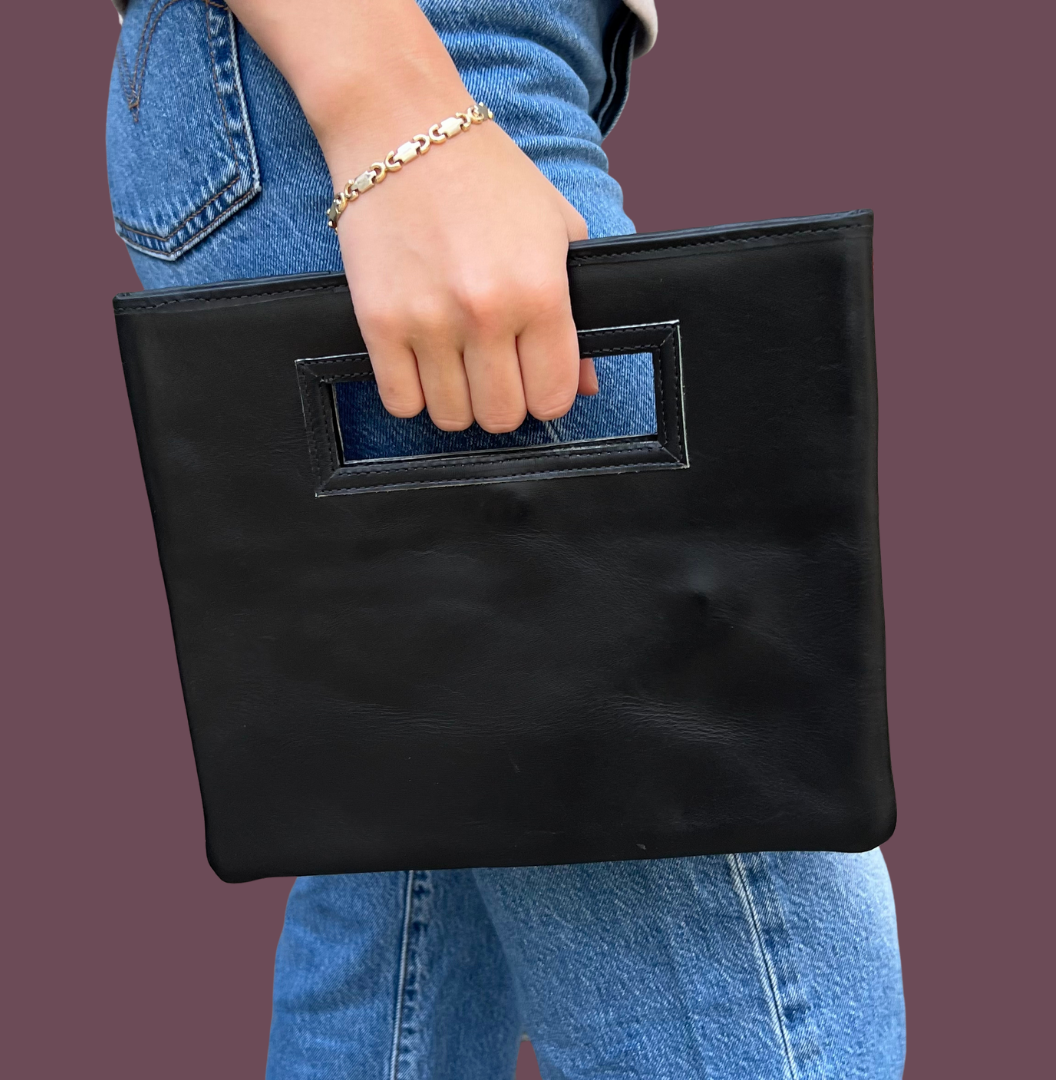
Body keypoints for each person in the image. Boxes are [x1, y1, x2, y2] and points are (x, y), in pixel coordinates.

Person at [106, 2, 906, 1076]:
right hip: (397, 69)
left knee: (406, 906)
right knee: (765, 969)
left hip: (402, 81)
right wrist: (391, 113)